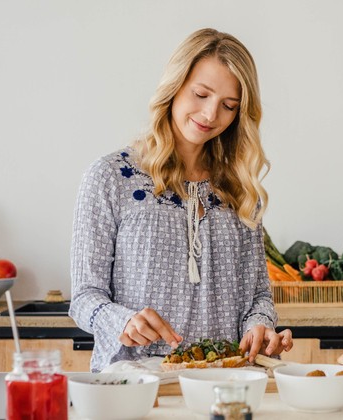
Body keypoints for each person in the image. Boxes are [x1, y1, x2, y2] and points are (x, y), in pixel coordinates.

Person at [69, 28, 292, 372]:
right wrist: (123, 321)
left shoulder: (239, 188)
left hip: (226, 382)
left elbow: (258, 297)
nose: (210, 115)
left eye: (228, 106)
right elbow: (84, 298)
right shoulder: (110, 177)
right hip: (136, 386)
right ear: (174, 86)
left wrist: (258, 326)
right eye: (200, 94)